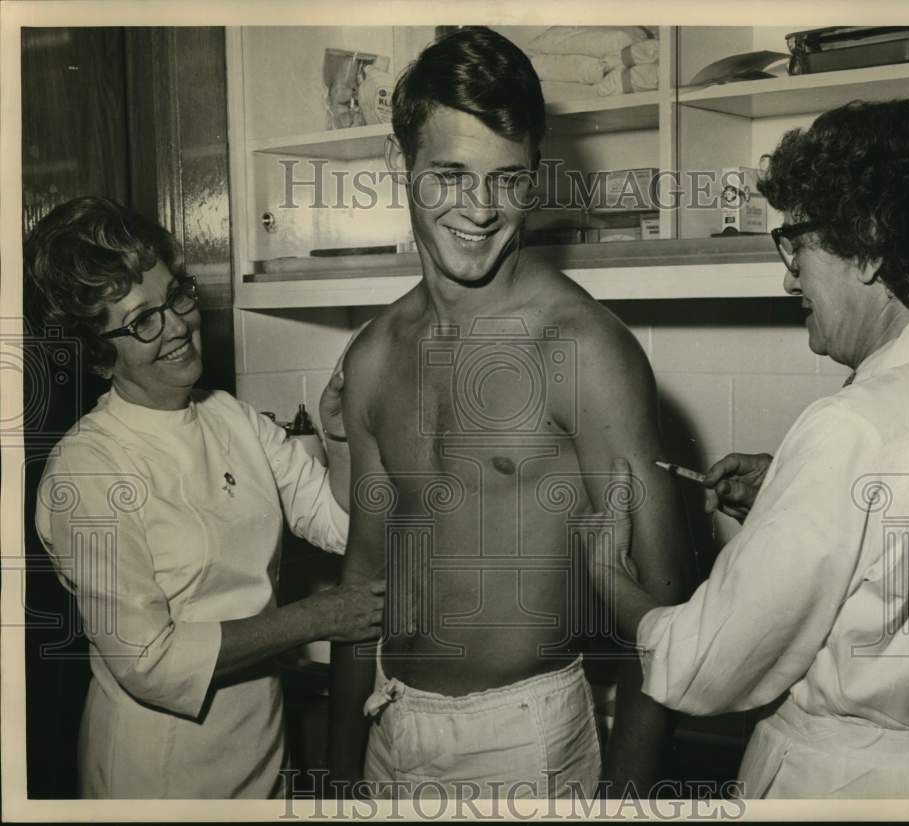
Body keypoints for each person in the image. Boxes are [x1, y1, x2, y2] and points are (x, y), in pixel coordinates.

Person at [328, 27, 692, 800]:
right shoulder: (373, 354)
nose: (481, 209)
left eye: (508, 180)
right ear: (405, 168)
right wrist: (334, 778)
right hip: (389, 724)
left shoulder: (586, 349)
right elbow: (361, 579)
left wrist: (624, 808)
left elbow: (666, 614)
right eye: (450, 174)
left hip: (525, 741)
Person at [591, 99, 909, 798]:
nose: (787, 277)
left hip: (840, 789)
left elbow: (699, 668)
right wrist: (788, 494)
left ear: (865, 244)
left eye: (795, 245)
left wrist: (611, 582)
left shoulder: (849, 426)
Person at [25, 196, 384, 798]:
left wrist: (341, 436)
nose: (176, 326)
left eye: (177, 296)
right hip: (156, 777)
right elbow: (151, 663)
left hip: (260, 753)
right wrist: (311, 619)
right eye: (142, 321)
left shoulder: (231, 419)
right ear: (97, 352)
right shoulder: (85, 472)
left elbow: (344, 525)